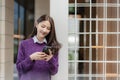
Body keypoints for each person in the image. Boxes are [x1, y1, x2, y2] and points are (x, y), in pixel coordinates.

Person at [16, 14, 61, 80]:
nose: (45, 30)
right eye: (43, 26)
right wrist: (31, 58)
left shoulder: (52, 47)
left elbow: (54, 72)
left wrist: (50, 60)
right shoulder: (24, 44)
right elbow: (19, 68)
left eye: (48, 28)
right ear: (36, 24)